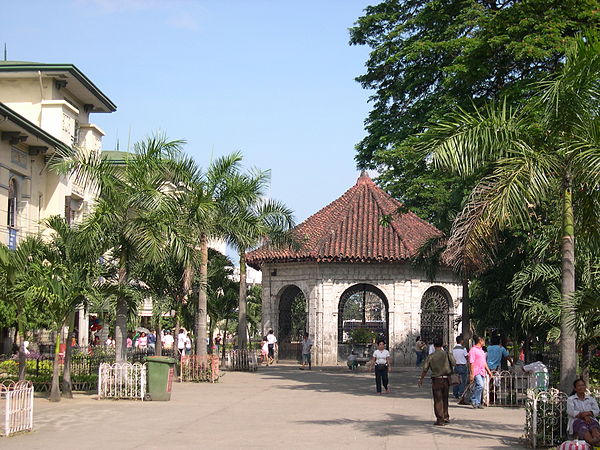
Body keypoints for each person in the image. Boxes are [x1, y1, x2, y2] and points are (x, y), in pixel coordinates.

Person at [418, 338, 455, 426]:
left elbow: (425, 369)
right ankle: (446, 416)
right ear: (442, 345)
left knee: (438, 399)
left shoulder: (431, 356)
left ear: (434, 346)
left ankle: (440, 419)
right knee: (445, 398)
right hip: (446, 379)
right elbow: (454, 363)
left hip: (437, 379)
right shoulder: (447, 354)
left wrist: (421, 379)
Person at [567, 378, 600, 446]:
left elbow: (597, 411)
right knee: (582, 425)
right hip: (576, 421)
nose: (581, 387)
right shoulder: (571, 399)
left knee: (593, 425)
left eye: (583, 385)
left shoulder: (591, 399)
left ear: (585, 387)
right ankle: (592, 441)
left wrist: (588, 414)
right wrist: (584, 416)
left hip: (590, 420)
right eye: (579, 385)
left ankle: (596, 439)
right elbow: (571, 412)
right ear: (575, 388)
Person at [468, 335, 493, 408]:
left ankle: (477, 402)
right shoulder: (473, 350)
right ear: (480, 341)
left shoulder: (481, 351)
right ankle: (473, 399)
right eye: (483, 340)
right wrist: (472, 374)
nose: (484, 342)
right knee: (480, 385)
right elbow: (471, 362)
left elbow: (484, 362)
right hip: (476, 371)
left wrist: (488, 371)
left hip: (482, 371)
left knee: (480, 386)